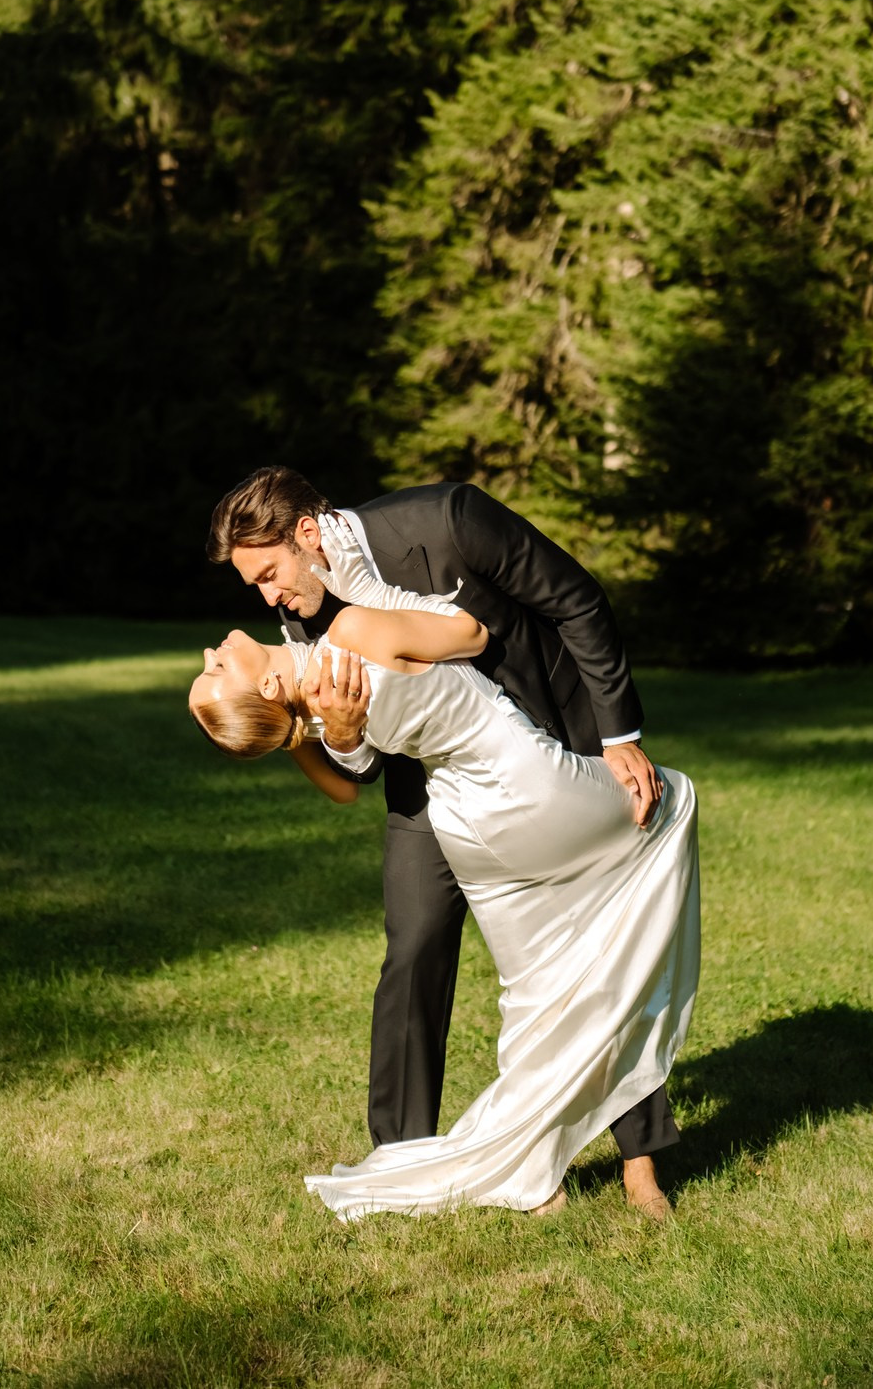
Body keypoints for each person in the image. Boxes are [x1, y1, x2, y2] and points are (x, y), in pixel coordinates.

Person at [194, 486, 701, 1219]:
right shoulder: (294, 604)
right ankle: (404, 1157)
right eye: (257, 586)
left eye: (271, 573)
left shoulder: (448, 520)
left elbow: (575, 600)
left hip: (537, 742)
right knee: (415, 947)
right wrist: (336, 733)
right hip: (428, 783)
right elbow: (355, 758)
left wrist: (618, 735)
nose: (270, 596)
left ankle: (639, 1154)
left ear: (308, 532)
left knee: (597, 942)